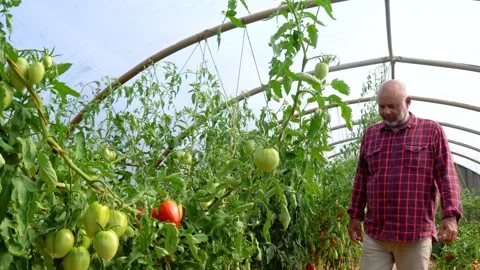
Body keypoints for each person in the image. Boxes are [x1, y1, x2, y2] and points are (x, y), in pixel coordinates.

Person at [347, 79, 463, 270]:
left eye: (392, 106)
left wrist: (450, 216)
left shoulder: (431, 131)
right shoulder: (371, 135)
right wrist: (355, 215)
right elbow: (362, 178)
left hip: (414, 233)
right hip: (377, 232)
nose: (386, 112)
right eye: (382, 106)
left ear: (408, 102)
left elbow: (446, 176)